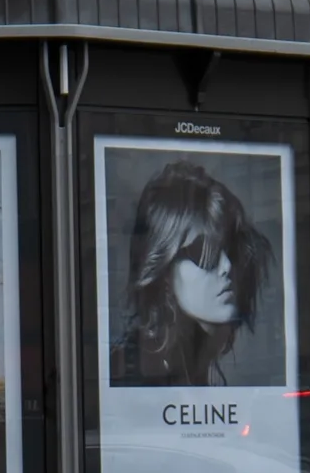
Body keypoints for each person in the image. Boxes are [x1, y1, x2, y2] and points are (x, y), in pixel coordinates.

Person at [111, 160, 278, 387]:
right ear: (165, 272)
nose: (226, 266)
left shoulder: (189, 367)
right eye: (204, 252)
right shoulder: (130, 375)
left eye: (230, 249)